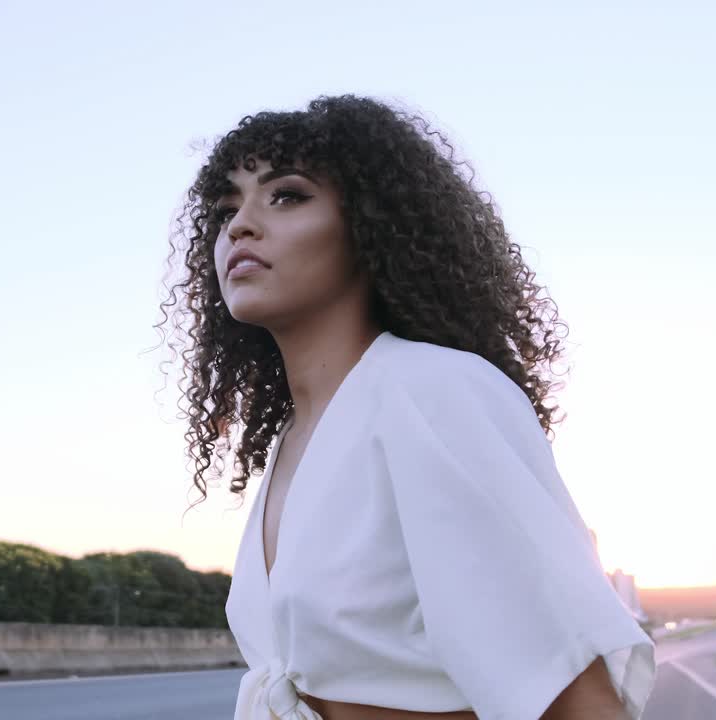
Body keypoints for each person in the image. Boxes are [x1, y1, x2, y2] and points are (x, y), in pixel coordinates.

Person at [156, 95, 655, 719]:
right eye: (228, 207)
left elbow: (573, 695)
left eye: (286, 195)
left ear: (370, 223)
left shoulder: (432, 391)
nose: (240, 226)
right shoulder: (297, 440)